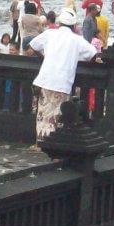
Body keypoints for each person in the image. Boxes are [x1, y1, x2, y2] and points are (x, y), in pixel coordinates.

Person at [25, 10, 98, 139]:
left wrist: (43, 57)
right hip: (62, 83)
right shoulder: (77, 39)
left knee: (43, 115)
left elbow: (32, 46)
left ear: (59, 23)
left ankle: (41, 142)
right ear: (74, 26)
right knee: (58, 116)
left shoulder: (50, 33)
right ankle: (52, 142)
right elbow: (93, 53)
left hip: (44, 79)